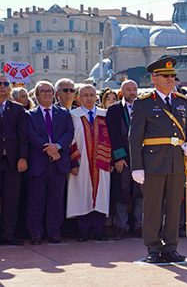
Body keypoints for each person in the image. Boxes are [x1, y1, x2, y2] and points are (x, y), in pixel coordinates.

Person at [129, 56, 187, 263]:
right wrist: (137, 167)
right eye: (166, 76)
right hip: (153, 163)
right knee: (153, 206)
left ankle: (171, 246)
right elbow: (134, 137)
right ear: (154, 78)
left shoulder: (181, 101)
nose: (170, 80)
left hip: (176, 161)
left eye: (173, 76)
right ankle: (153, 247)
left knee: (174, 206)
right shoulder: (144, 103)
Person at [26, 81, 74, 245]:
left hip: (58, 163)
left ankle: (54, 232)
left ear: (54, 94)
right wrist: (48, 149)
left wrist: (58, 147)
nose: (47, 93)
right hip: (39, 163)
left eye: (49, 91)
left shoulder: (64, 113)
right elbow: (31, 135)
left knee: (56, 200)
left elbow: (69, 133)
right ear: (37, 95)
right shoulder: (30, 115)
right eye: (43, 91)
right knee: (36, 201)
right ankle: (36, 234)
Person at [67, 84, 111, 241]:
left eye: (92, 95)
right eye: (85, 95)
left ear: (97, 97)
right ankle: (83, 231)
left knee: (101, 195)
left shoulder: (105, 115)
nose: (89, 98)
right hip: (81, 162)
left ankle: (99, 230)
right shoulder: (73, 115)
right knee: (81, 194)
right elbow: (69, 139)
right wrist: (73, 162)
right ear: (78, 98)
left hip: (102, 161)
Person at [106, 80, 143, 240]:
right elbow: (112, 134)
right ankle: (121, 226)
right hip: (124, 158)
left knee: (141, 192)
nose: (132, 92)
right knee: (122, 192)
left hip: (142, 158)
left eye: (134, 89)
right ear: (122, 92)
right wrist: (119, 157)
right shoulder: (114, 110)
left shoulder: (144, 107)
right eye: (128, 89)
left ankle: (139, 225)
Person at [0, 77, 29, 245]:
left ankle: (8, 234)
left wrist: (23, 157)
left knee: (12, 199)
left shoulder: (18, 109)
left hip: (12, 161)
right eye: (0, 84)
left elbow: (23, 137)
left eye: (6, 84)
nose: (3, 87)